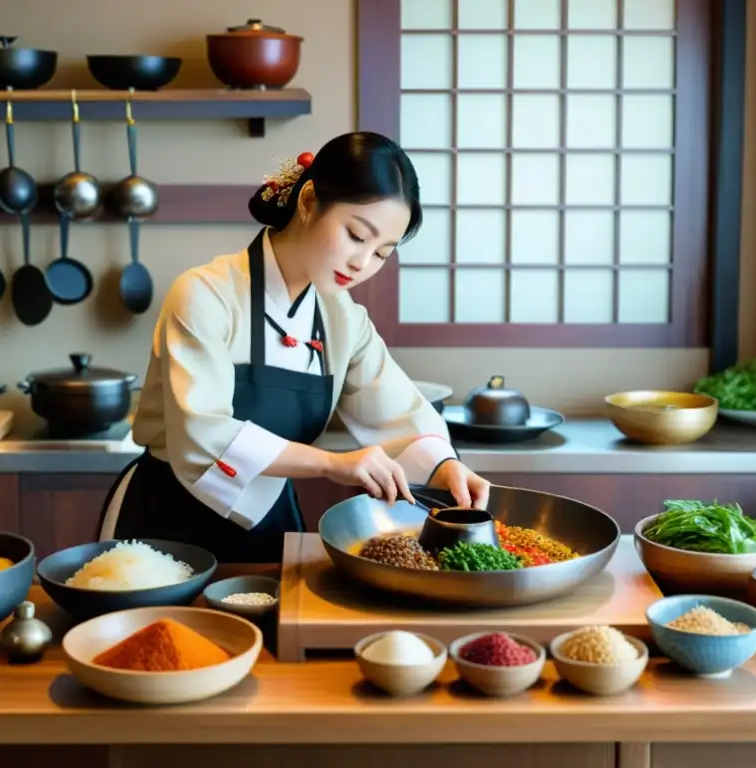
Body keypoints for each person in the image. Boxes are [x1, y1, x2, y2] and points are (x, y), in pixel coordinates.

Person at [97, 131, 490, 563]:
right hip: (166, 519)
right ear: (307, 202)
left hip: (269, 520)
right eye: (357, 235)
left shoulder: (343, 318)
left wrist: (445, 467)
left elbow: (398, 411)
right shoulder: (204, 293)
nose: (362, 263)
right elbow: (202, 432)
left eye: (382, 253)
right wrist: (330, 463)